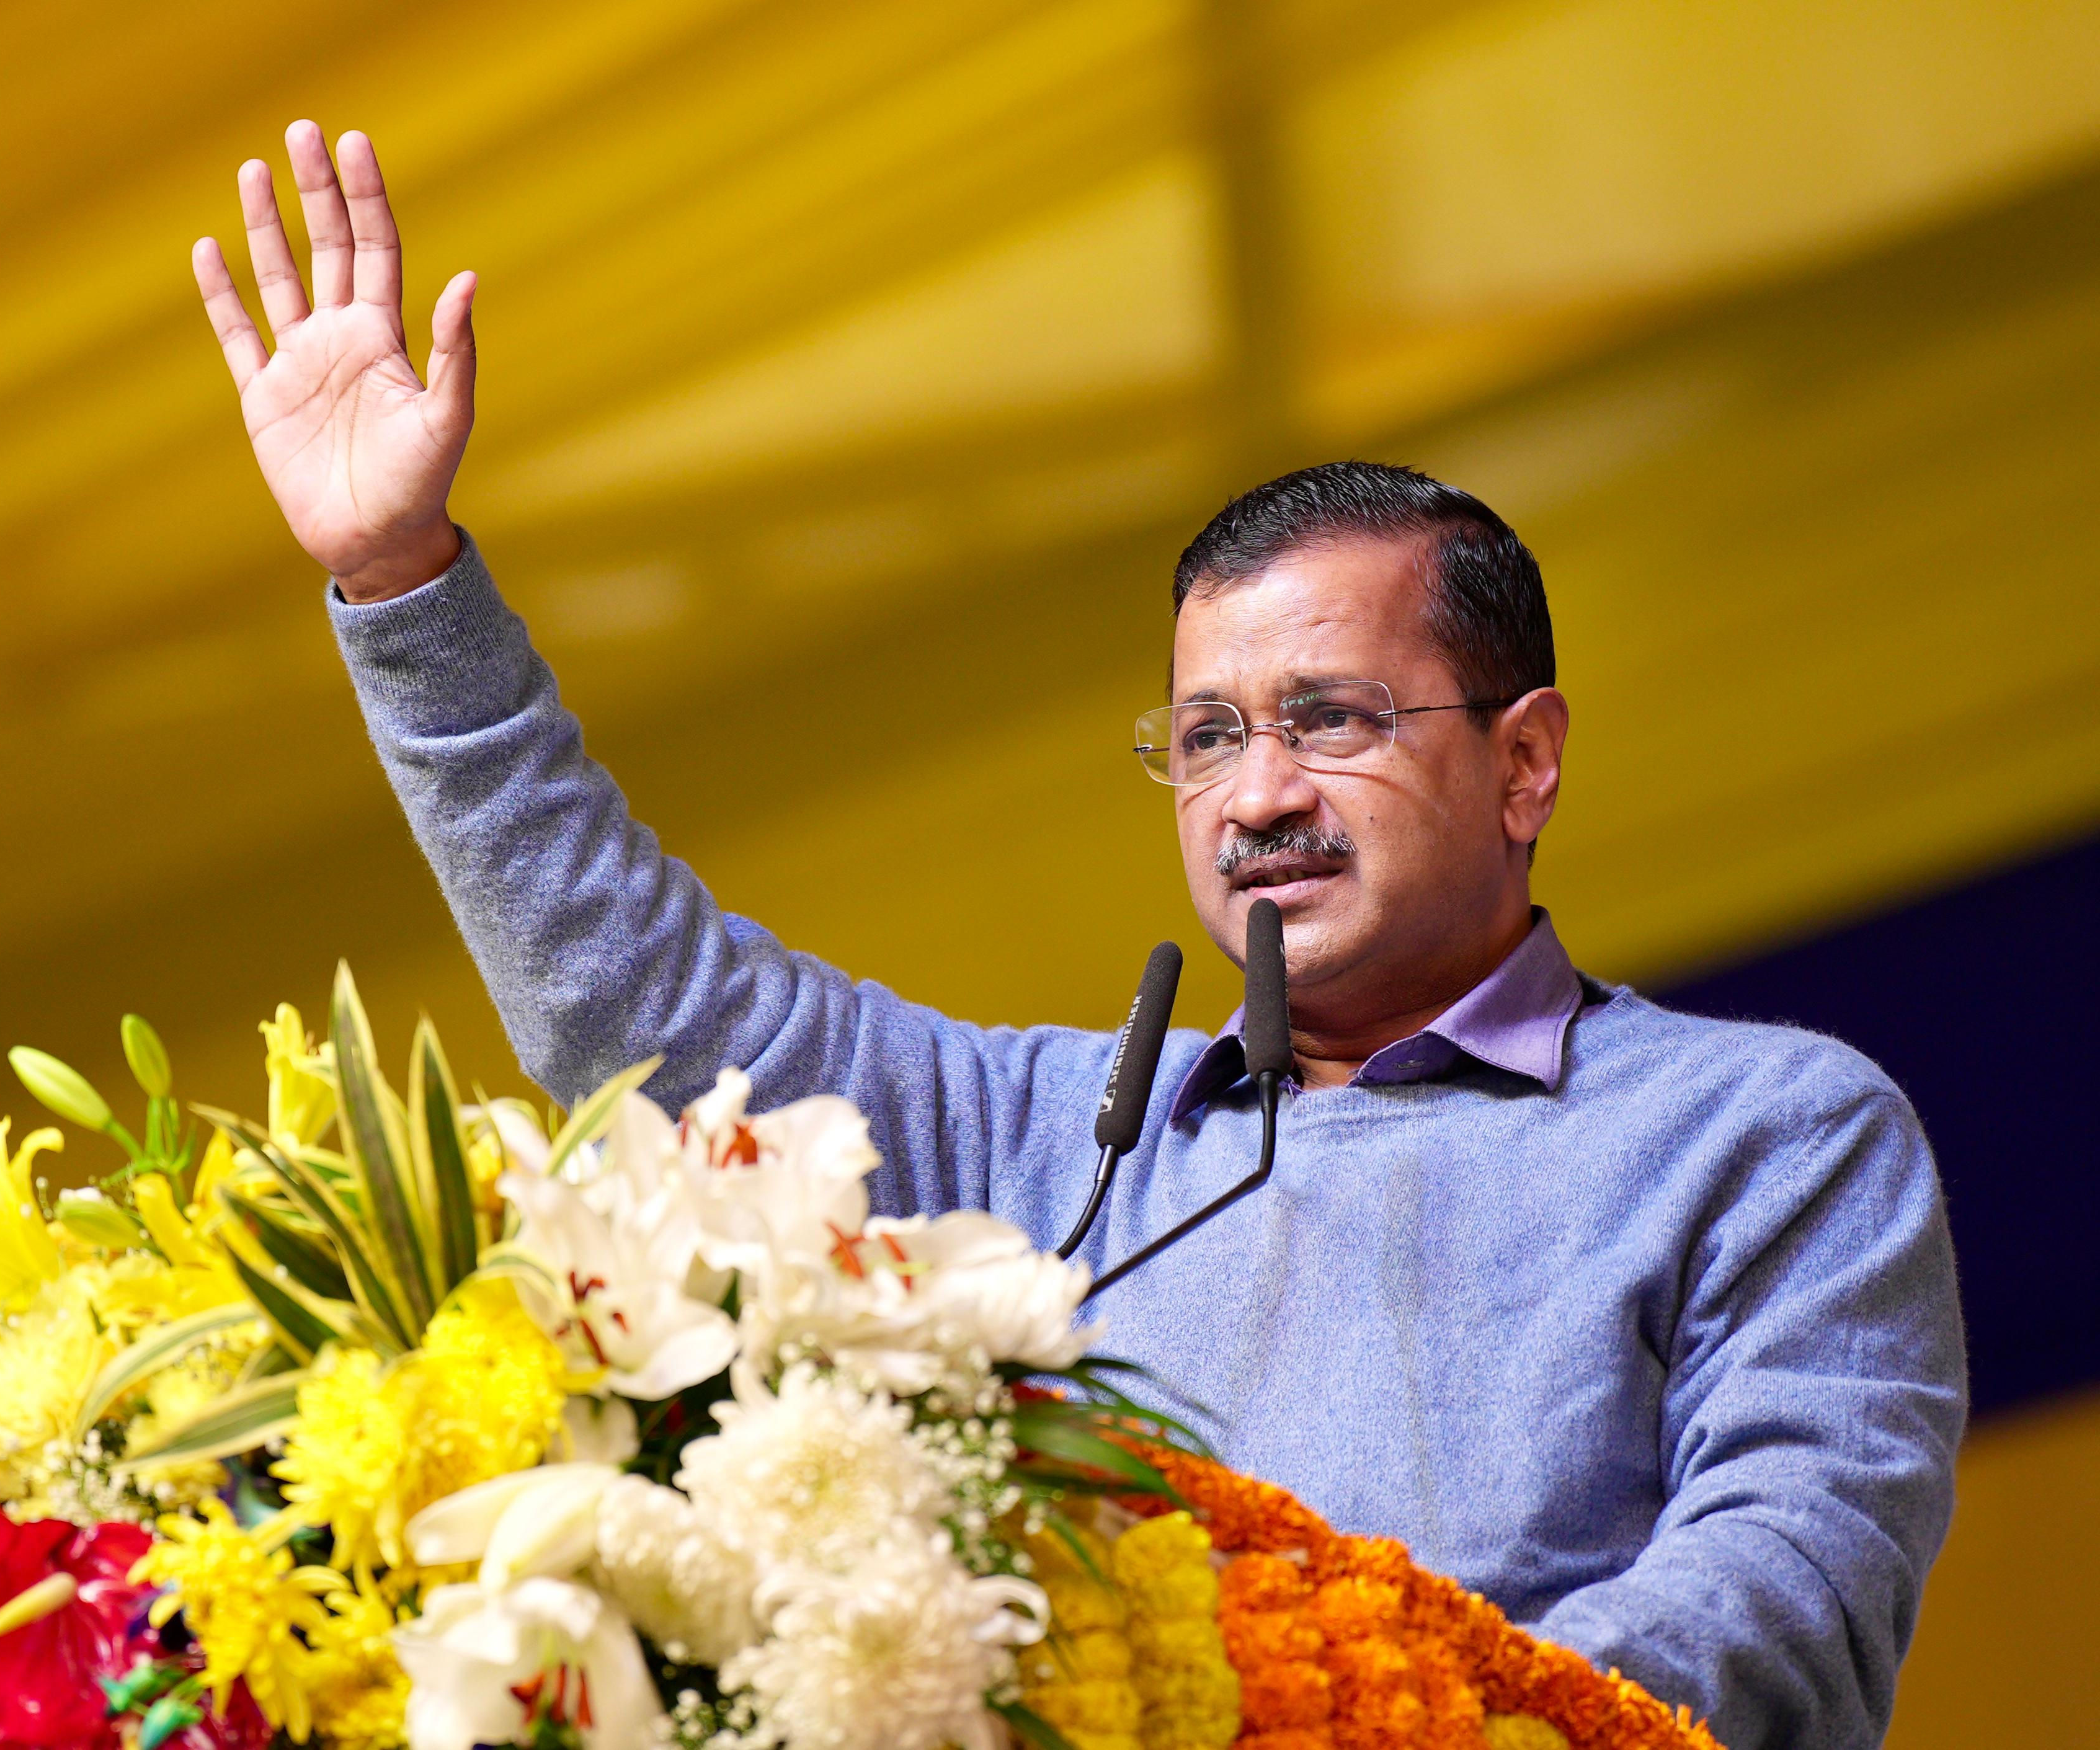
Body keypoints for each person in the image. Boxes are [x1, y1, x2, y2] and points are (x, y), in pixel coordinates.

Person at [191, 122, 1965, 1750]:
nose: (1257, 795)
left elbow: (1783, 1594)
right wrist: (405, 586)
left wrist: (1387, 1721)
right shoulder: (1051, 1144)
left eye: (1332, 719)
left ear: (1527, 761)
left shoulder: (1763, 1132)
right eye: (1207, 738)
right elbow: (642, 1010)